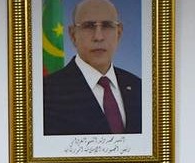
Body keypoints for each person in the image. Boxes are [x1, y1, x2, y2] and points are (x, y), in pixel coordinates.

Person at [43, 0, 143, 135]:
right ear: (73, 35)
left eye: (107, 25)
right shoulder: (47, 93)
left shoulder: (139, 87)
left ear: (118, 33)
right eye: (88, 26)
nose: (98, 37)